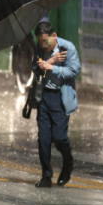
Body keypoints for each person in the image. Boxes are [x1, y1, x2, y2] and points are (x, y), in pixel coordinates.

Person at [32, 21, 80, 188]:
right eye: (40, 41)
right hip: (44, 97)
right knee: (43, 138)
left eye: (46, 41)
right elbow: (35, 68)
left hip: (60, 97)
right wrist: (50, 61)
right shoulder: (39, 48)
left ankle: (68, 162)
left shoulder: (67, 48)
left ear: (54, 36)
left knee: (59, 138)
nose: (44, 45)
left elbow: (74, 70)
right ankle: (46, 175)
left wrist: (52, 68)